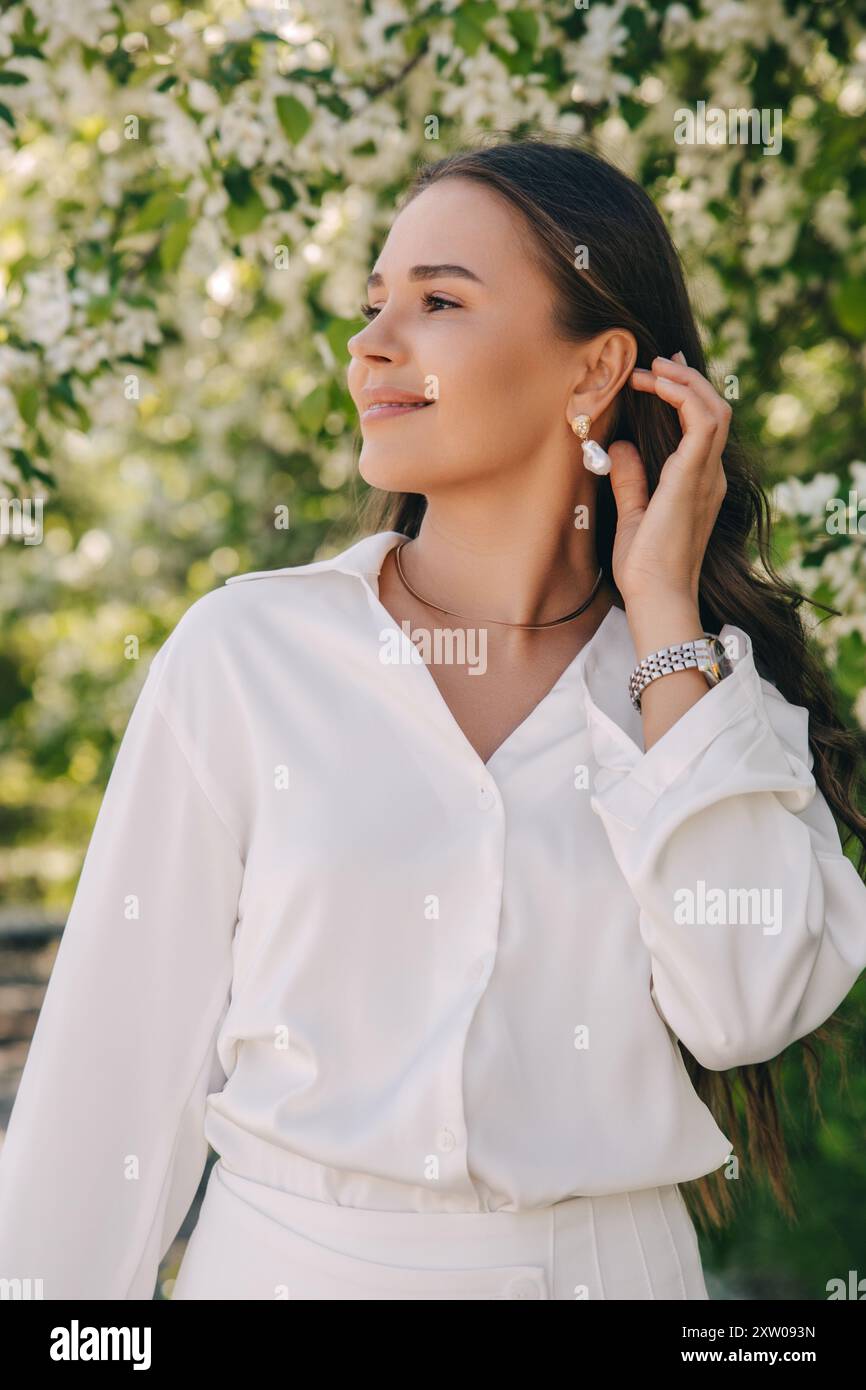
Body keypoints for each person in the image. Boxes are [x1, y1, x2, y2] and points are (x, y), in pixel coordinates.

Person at [1, 135, 865, 1302]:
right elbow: (108, 1082)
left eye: (438, 300)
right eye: (372, 303)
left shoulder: (706, 699)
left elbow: (742, 1010)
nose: (370, 344)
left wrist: (663, 615)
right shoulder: (248, 656)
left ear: (592, 368)